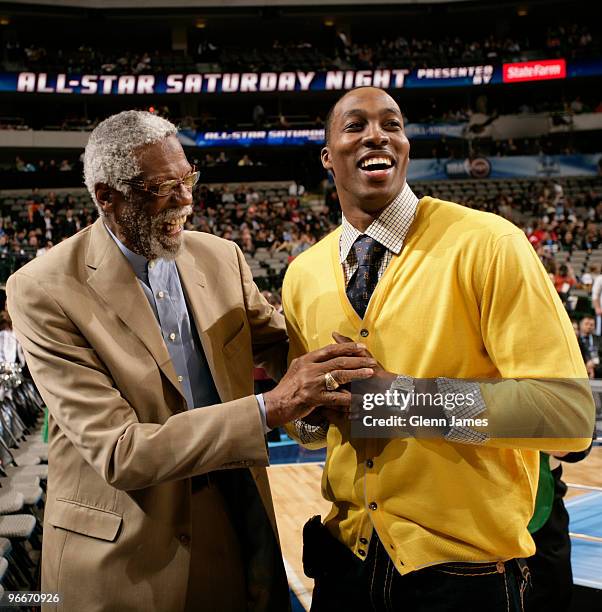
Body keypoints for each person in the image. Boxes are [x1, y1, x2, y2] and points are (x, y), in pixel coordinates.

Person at [6, 110, 376, 612]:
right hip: (125, 543)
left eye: (188, 179)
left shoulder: (219, 256)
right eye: (163, 187)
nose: (186, 199)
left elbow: (281, 345)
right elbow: (120, 452)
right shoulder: (43, 288)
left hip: (232, 510)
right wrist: (272, 407)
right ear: (107, 197)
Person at [281, 87, 594, 611]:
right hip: (345, 564)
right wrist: (304, 411)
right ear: (326, 156)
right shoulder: (302, 275)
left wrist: (398, 403)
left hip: (466, 573)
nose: (377, 134)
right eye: (355, 126)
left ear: (404, 146)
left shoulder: (490, 244)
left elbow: (567, 415)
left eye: (392, 125)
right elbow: (314, 435)